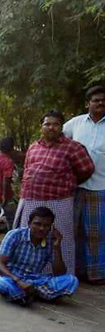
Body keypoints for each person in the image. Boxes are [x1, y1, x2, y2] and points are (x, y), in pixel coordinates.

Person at [14, 110, 94, 277]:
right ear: (41, 127)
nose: (51, 127)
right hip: (31, 199)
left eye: (55, 124)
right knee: (28, 237)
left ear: (61, 127)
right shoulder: (33, 147)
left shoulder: (73, 147)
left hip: (59, 201)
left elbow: (86, 169)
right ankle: (26, 272)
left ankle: (58, 276)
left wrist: (66, 183)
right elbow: (28, 169)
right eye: (47, 124)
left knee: (59, 239)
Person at [0, 207, 79, 306]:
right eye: (37, 224)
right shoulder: (15, 235)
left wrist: (57, 247)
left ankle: (26, 294)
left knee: (71, 280)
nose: (41, 228)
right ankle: (36, 294)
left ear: (51, 227)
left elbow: (60, 273)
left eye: (46, 225)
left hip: (36, 281)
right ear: (29, 223)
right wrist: (18, 281)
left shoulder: (50, 241)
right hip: (12, 277)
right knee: (3, 283)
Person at [64, 85, 105, 284]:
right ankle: (76, 271)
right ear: (87, 103)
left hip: (101, 187)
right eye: (96, 100)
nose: (100, 103)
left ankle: (97, 274)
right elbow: (59, 141)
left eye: (103, 100)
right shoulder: (76, 123)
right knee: (74, 229)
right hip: (75, 186)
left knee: (97, 233)